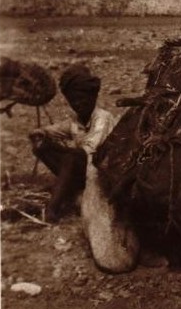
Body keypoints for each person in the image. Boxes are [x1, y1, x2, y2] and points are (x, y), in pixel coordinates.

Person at [29, 64, 117, 222]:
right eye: (72, 101)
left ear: (93, 97)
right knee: (42, 148)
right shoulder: (76, 121)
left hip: (99, 175)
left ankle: (53, 209)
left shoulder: (102, 119)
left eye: (81, 99)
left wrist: (54, 146)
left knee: (73, 157)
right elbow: (51, 130)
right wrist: (40, 134)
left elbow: (87, 151)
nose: (77, 104)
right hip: (82, 172)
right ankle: (70, 188)